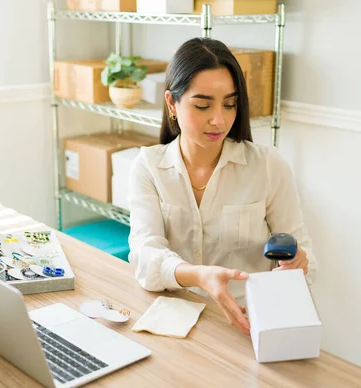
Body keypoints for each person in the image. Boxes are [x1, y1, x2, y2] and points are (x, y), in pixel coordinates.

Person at [127, 37, 319, 335]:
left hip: (247, 323)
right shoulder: (149, 166)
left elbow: (305, 254)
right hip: (173, 321)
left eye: (230, 104)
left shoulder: (267, 166)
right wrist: (199, 276)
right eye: (203, 105)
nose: (219, 119)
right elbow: (145, 256)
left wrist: (300, 263)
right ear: (171, 103)